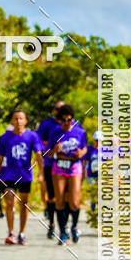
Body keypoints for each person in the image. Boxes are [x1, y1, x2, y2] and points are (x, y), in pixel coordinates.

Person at [0, 110, 43, 245]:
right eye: (15, 119)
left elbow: (38, 154)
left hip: (25, 176)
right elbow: (0, 158)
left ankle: (22, 233)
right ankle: (11, 233)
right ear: (12, 121)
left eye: (21, 119)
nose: (18, 121)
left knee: (24, 205)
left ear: (25, 121)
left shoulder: (32, 136)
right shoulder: (4, 138)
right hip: (9, 175)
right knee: (9, 202)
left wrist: (41, 172)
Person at [46, 104, 87, 245]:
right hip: (59, 168)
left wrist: (81, 153)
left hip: (74, 167)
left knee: (75, 202)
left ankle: (74, 226)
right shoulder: (54, 132)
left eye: (69, 120)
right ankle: (63, 231)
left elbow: (85, 148)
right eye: (63, 120)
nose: (66, 123)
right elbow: (48, 154)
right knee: (60, 200)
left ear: (72, 119)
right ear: (59, 120)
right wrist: (55, 150)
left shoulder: (80, 132)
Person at [37, 100, 65, 239]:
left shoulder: (70, 124)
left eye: (63, 109)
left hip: (68, 166)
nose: (60, 111)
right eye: (57, 108)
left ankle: (65, 227)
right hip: (50, 164)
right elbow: (40, 144)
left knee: (65, 197)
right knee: (52, 196)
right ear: (53, 110)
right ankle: (52, 224)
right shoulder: (46, 125)